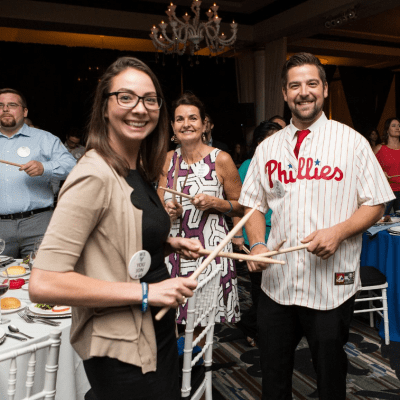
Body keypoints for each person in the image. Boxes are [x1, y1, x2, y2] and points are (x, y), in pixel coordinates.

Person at [29, 57, 204, 400]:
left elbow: (118, 232)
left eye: (149, 99)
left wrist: (165, 243)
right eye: (125, 97)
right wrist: (146, 293)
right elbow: (44, 282)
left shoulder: (134, 166)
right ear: (105, 107)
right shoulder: (93, 173)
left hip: (156, 331)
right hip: (123, 346)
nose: (140, 109)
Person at [239, 52, 394, 400]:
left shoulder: (352, 142)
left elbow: (376, 202)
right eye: (295, 85)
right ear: (284, 93)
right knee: (273, 375)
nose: (303, 92)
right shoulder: (268, 148)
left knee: (329, 376)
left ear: (324, 89)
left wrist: (337, 232)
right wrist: (257, 244)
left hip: (330, 286)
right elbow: (252, 204)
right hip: (277, 285)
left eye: (312, 83)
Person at [158, 93, 243, 326]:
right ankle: (179, 361)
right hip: (174, 249)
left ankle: (192, 362)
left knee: (200, 320)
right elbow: (158, 205)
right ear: (172, 126)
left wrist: (215, 203)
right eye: (180, 119)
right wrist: (168, 210)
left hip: (208, 251)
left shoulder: (221, 159)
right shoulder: (167, 160)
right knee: (171, 319)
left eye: (193, 118)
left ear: (204, 123)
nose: (186, 124)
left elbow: (241, 207)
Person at [0, 88, 76, 259]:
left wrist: (45, 168)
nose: (5, 109)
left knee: (41, 278)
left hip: (38, 223)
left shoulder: (44, 138)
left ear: (24, 111)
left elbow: (73, 167)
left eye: (12, 105)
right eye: (1, 105)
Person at [232, 121, 281, 347]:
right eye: (268, 139)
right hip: (257, 236)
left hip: (281, 238)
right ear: (259, 142)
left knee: (276, 289)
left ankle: (258, 327)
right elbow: (242, 204)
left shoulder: (286, 164)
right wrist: (239, 234)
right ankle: (254, 328)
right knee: (261, 289)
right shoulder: (249, 165)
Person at [374, 118, 400, 214]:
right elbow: (367, 168)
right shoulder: (379, 148)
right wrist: (380, 173)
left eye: (399, 126)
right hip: (385, 192)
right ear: (387, 130)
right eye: (393, 126)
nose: (397, 128)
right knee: (381, 221)